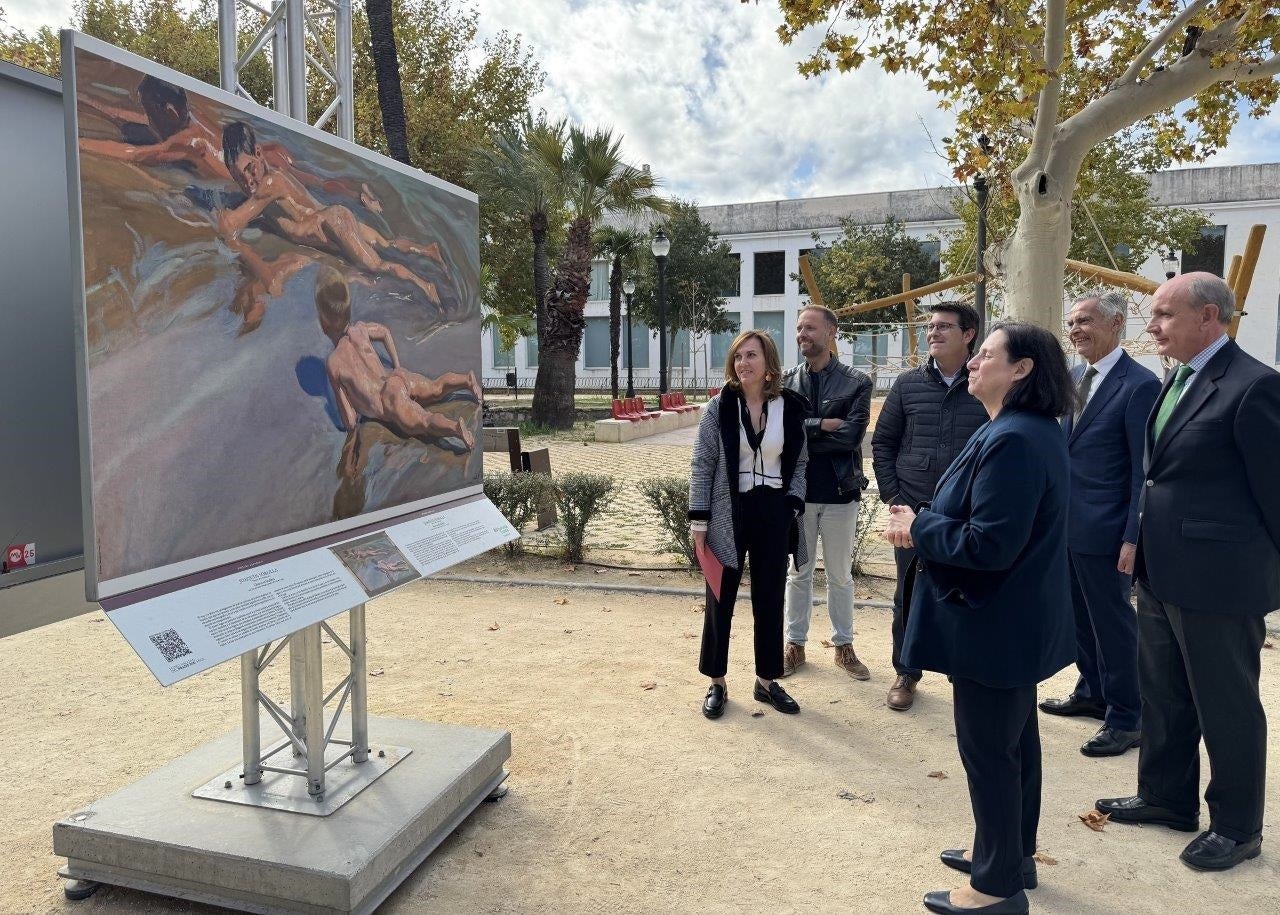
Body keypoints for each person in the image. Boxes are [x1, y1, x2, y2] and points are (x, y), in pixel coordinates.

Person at [885, 322, 1075, 915]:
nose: (972, 363)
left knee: (991, 753)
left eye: (986, 354)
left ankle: (996, 887)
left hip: (993, 623)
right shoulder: (1015, 429)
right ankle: (1009, 854)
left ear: (1021, 369)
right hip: (1007, 622)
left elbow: (990, 544)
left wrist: (917, 527)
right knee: (1014, 745)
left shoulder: (1015, 438)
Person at [1095, 272, 1280, 872]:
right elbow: (1155, 476)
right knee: (1165, 693)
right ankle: (1167, 798)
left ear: (1209, 318)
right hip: (1161, 567)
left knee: (1225, 703)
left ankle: (1236, 826)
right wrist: (1137, 540)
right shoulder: (1177, 379)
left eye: (1164, 316)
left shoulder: (1254, 387)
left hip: (1221, 580)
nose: (1152, 327)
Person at [1038, 290, 1159, 757]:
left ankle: (1128, 716)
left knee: (1113, 625)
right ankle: (1091, 692)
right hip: (1066, 527)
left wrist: (1133, 536)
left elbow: (1141, 471)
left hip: (1108, 533)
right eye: (1071, 323)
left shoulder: (1139, 384)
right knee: (1079, 620)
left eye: (1085, 321)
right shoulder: (1071, 377)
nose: (1074, 330)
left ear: (1116, 323)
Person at [871, 301, 987, 711]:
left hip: (967, 515)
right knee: (908, 593)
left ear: (968, 334)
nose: (932, 333)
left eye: (943, 327)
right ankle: (906, 671)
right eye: (930, 327)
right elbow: (882, 443)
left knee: (968, 591)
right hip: (912, 512)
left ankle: (966, 670)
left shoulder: (985, 383)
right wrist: (894, 498)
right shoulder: (907, 384)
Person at [689, 330, 810, 719]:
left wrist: (793, 501)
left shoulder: (790, 408)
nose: (743, 363)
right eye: (738, 356)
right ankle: (717, 681)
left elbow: (801, 462)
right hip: (730, 510)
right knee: (719, 595)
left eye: (751, 355)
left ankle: (767, 680)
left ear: (769, 364)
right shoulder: (718, 408)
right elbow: (702, 464)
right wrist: (699, 519)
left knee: (771, 596)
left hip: (774, 509)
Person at [219, 121, 446, 307]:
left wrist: (224, 221)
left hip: (333, 225)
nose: (248, 182)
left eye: (250, 168)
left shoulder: (268, 184)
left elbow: (232, 223)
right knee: (386, 245)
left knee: (376, 267)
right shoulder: (268, 184)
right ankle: (428, 250)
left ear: (259, 153)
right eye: (238, 177)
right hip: (335, 219)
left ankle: (425, 286)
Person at [780, 305, 873, 681]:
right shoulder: (786, 382)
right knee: (798, 573)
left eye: (810, 328)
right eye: (800, 327)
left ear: (831, 332)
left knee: (840, 576)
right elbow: (783, 437)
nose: (803, 334)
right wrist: (822, 425)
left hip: (839, 492)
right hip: (798, 494)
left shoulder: (856, 382)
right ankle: (794, 645)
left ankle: (844, 646)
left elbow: (851, 437)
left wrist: (806, 431)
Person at [315, 266, 478, 451]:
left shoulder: (334, 362)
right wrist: (397, 365)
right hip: (396, 377)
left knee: (425, 420)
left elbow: (351, 421)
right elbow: (384, 332)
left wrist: (351, 420)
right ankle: (467, 380)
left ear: (323, 323)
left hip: (388, 400)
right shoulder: (360, 329)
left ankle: (456, 428)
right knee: (435, 387)